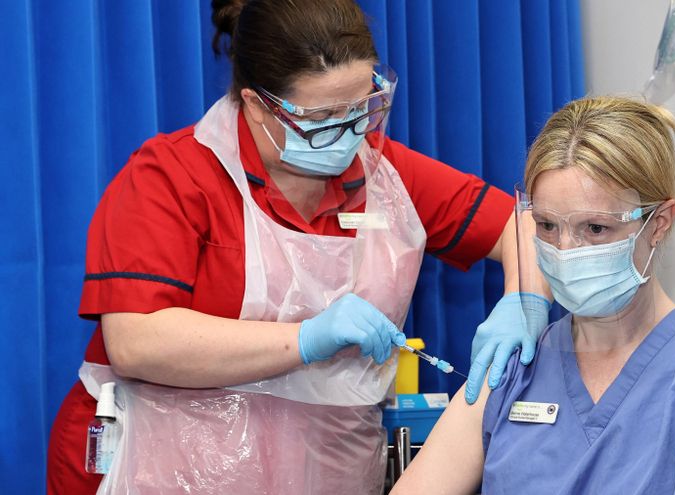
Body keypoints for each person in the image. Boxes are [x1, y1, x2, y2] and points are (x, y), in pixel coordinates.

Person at [46, 0, 539, 493]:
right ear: (258, 106)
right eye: (324, 116)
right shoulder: (170, 178)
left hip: (317, 470)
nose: (351, 131)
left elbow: (528, 229)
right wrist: (306, 339)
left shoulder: (385, 175)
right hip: (155, 464)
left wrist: (525, 302)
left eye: (363, 106)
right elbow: (137, 343)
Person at [391, 96, 675, 494]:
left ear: (658, 223)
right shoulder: (513, 367)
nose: (565, 251)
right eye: (548, 226)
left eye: (595, 229)